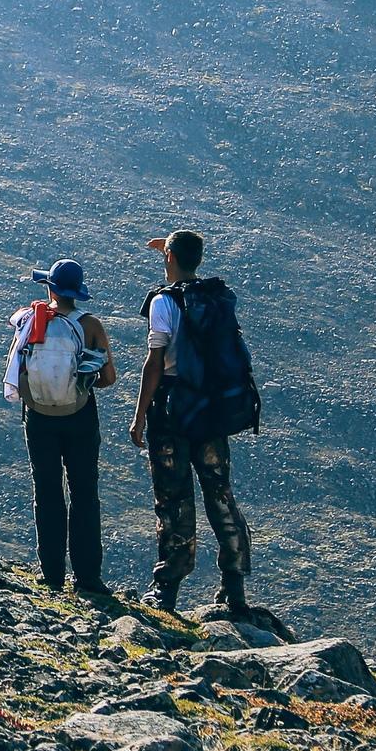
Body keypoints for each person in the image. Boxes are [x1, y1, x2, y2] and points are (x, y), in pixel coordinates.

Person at [130, 229, 254, 616]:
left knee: (173, 497)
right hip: (212, 411)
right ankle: (234, 589)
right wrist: (165, 248)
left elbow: (155, 362)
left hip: (172, 410)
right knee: (220, 493)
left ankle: (166, 587)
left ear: (170, 258)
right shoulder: (213, 298)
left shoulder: (164, 303)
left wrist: (139, 416)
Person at [5, 257, 117, 599]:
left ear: (50, 287)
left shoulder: (30, 318)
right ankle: (88, 579)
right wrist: (81, 383)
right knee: (84, 493)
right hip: (79, 416)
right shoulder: (91, 325)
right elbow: (109, 378)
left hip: (38, 416)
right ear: (77, 292)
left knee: (48, 491)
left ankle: (51, 575)